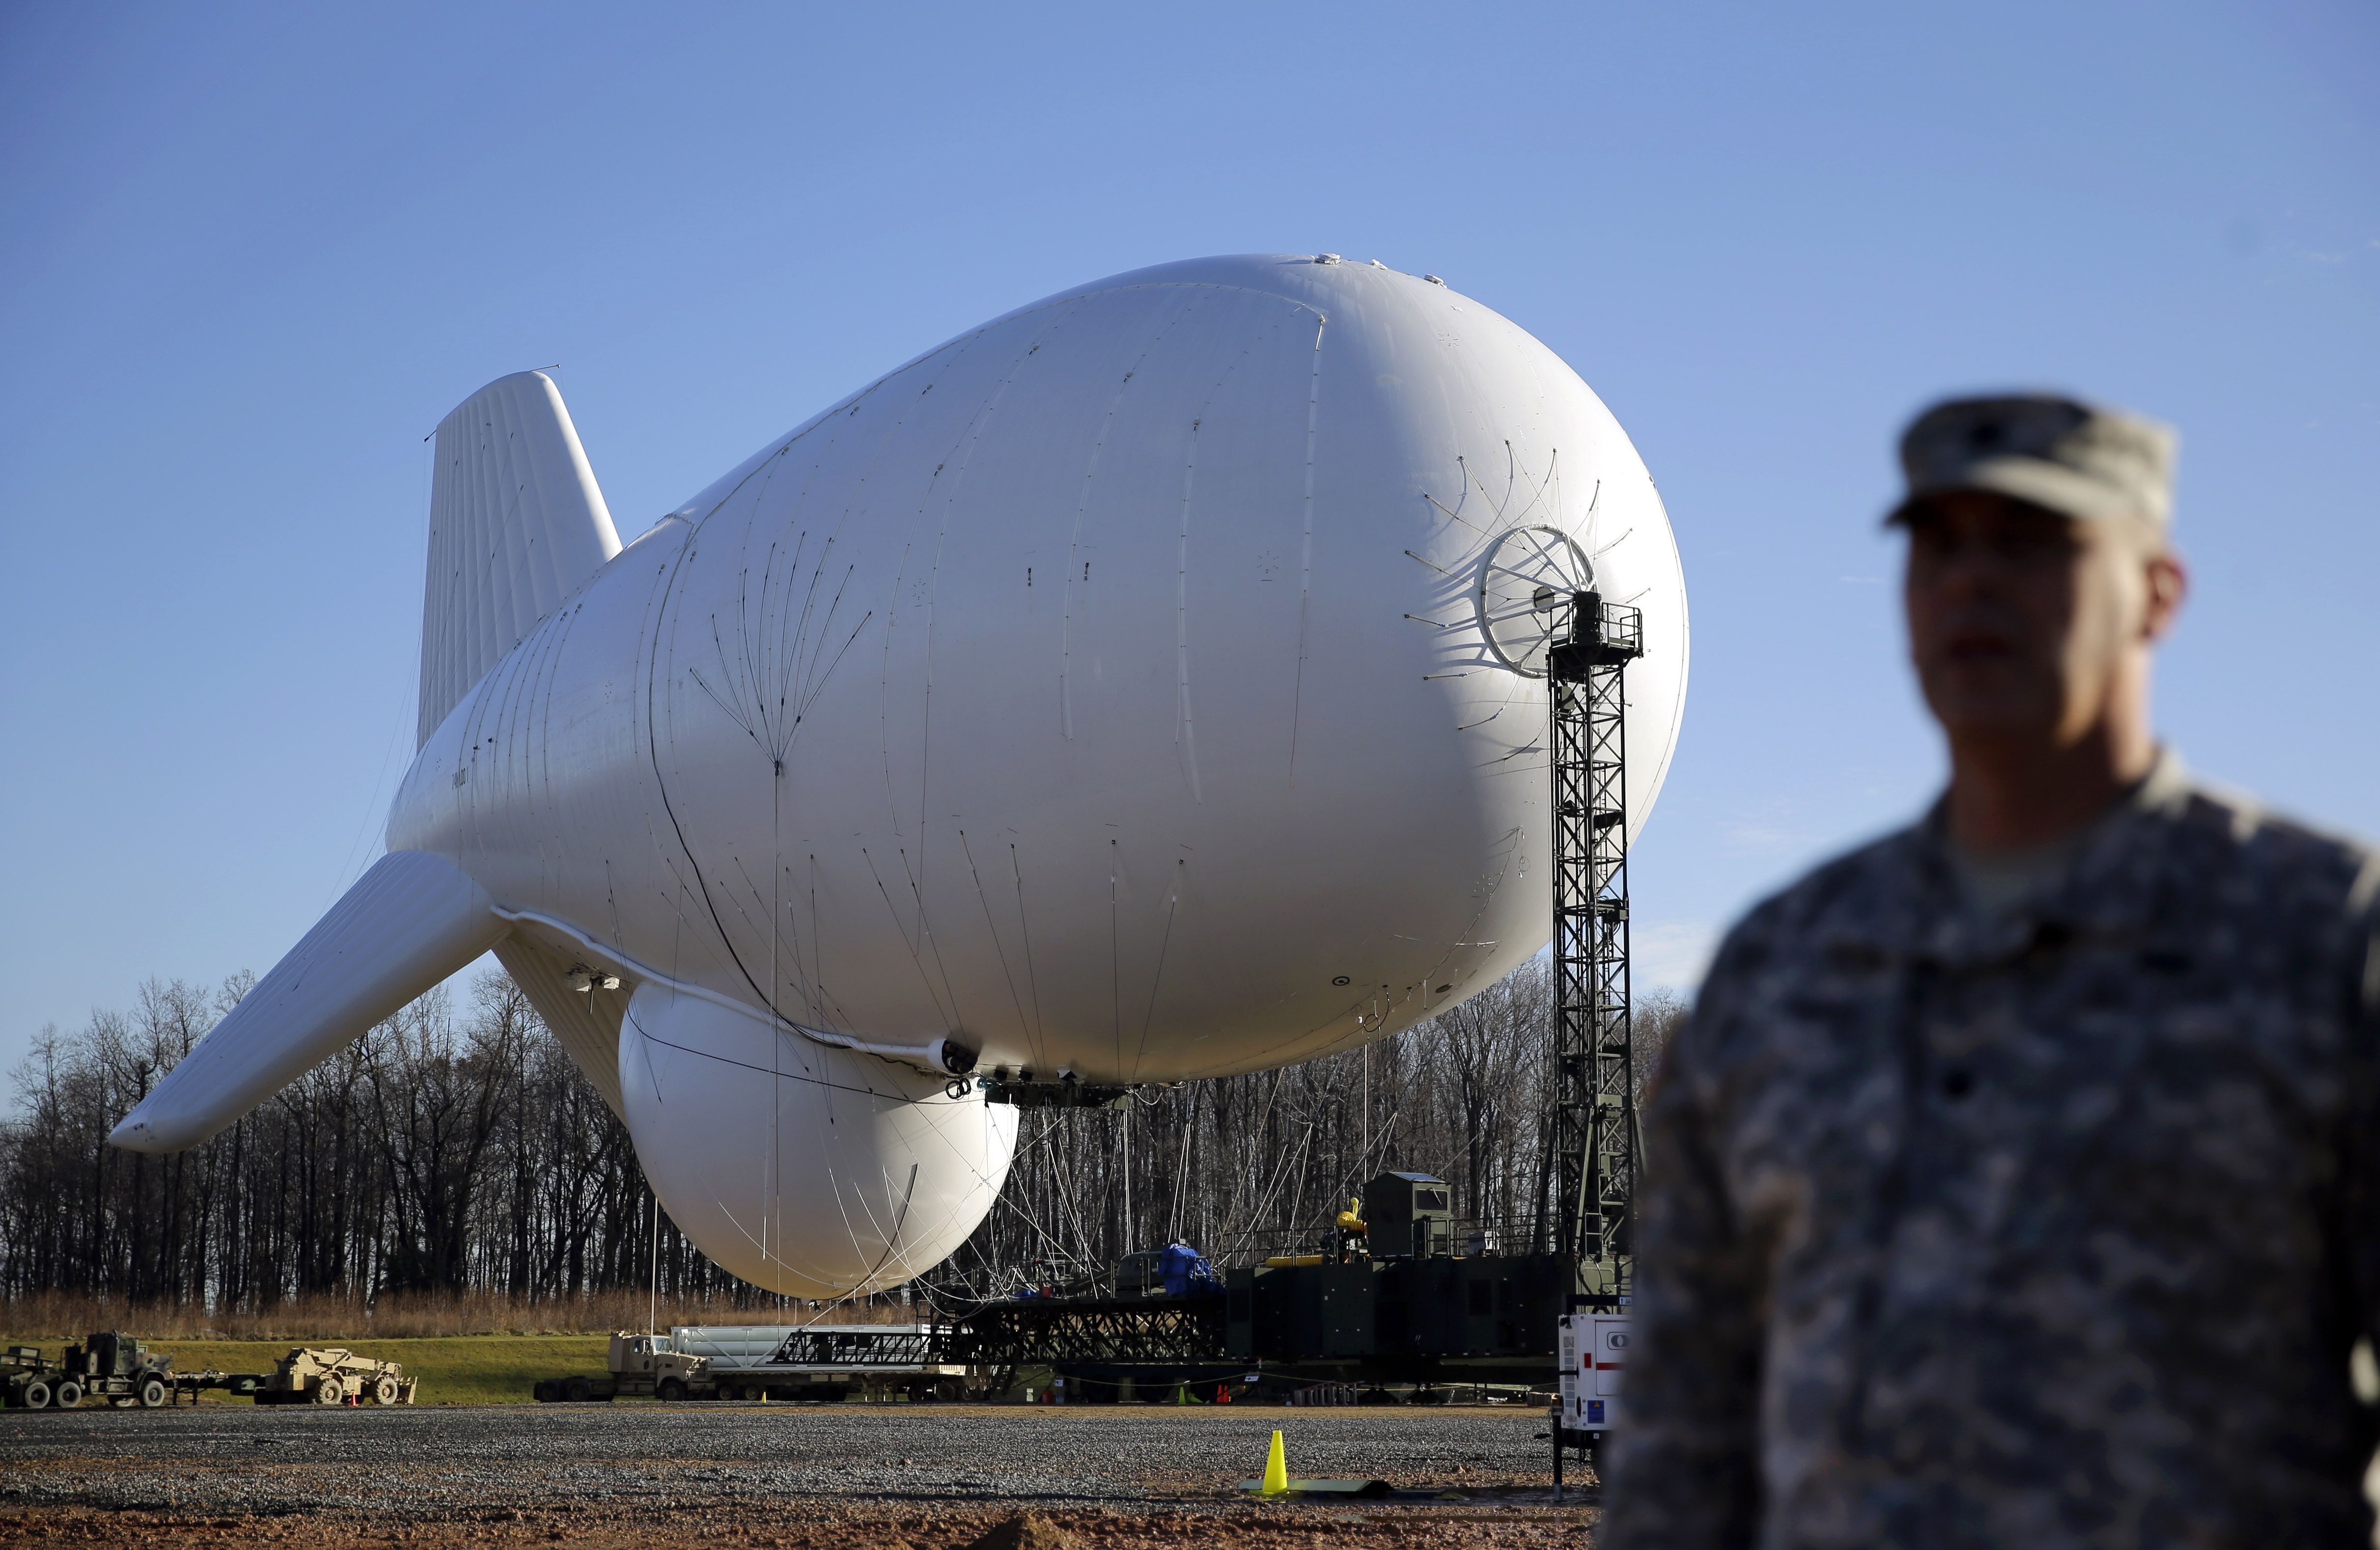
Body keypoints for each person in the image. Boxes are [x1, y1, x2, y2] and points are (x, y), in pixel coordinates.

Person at [1602, 394, 2380, 1548]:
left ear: (2157, 591)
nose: (1971, 580)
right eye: (1937, 542)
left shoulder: (2319, 939)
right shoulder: (1783, 969)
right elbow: (1681, 1437)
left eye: (2030, 541)